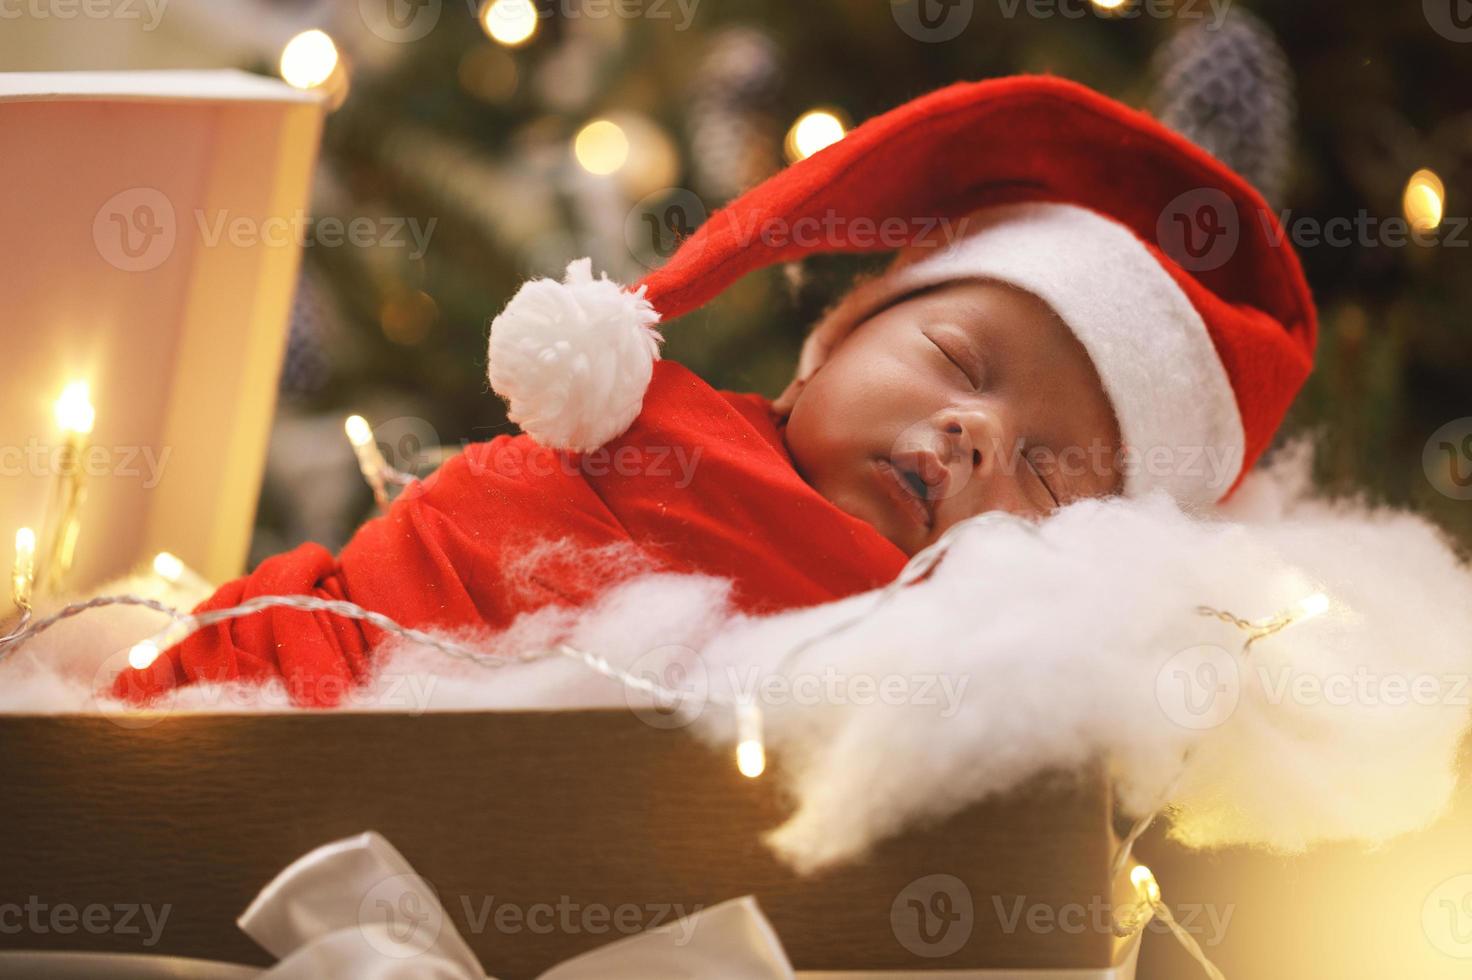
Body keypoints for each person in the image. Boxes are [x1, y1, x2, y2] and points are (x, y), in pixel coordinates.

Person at [112, 74, 1315, 706]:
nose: (977, 431)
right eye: (955, 362)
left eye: (1049, 467)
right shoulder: (638, 438)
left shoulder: (966, 658)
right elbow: (430, 559)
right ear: (831, 344)